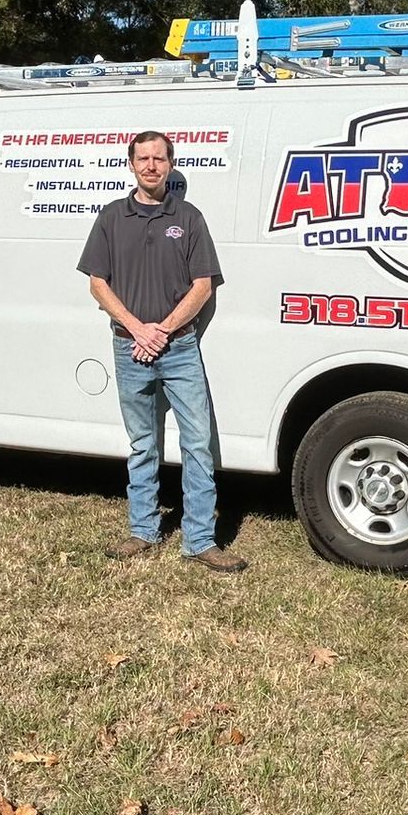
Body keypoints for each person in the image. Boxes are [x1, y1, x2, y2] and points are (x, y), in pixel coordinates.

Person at [77, 131, 243, 573]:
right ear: (130, 164)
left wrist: (163, 331)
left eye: (159, 158)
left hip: (180, 347)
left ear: (170, 165)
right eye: (143, 158)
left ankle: (201, 540)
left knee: (197, 444)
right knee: (143, 444)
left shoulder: (188, 218)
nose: (151, 166)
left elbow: (203, 285)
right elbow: (97, 283)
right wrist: (137, 329)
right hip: (129, 347)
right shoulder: (112, 217)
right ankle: (143, 530)